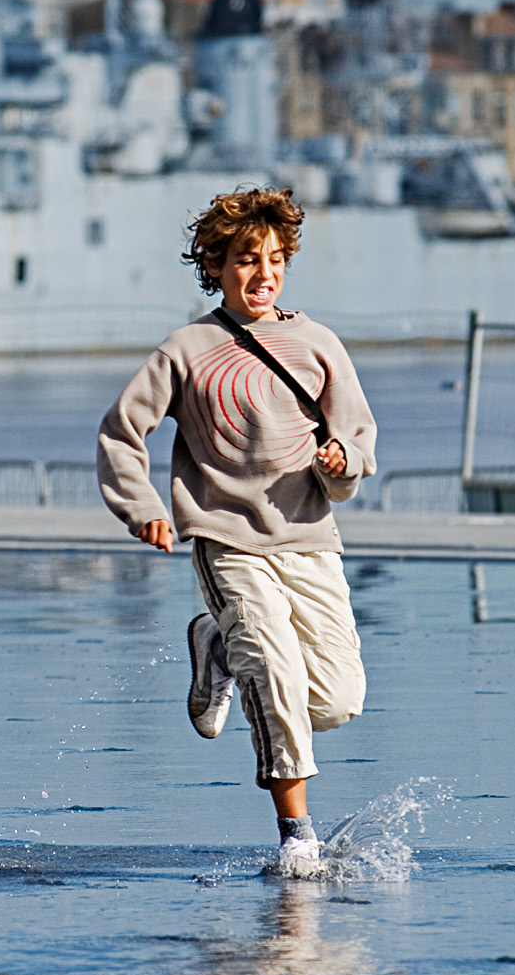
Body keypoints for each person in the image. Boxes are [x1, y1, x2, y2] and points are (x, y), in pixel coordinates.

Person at [97, 186, 377, 868]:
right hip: (229, 541)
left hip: (309, 539)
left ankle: (218, 647)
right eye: (247, 258)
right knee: (275, 677)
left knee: (338, 698)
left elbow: (359, 440)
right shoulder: (188, 348)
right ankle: (297, 837)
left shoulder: (316, 344)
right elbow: (121, 430)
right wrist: (145, 508)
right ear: (217, 264)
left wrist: (341, 462)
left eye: (275, 258)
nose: (263, 272)